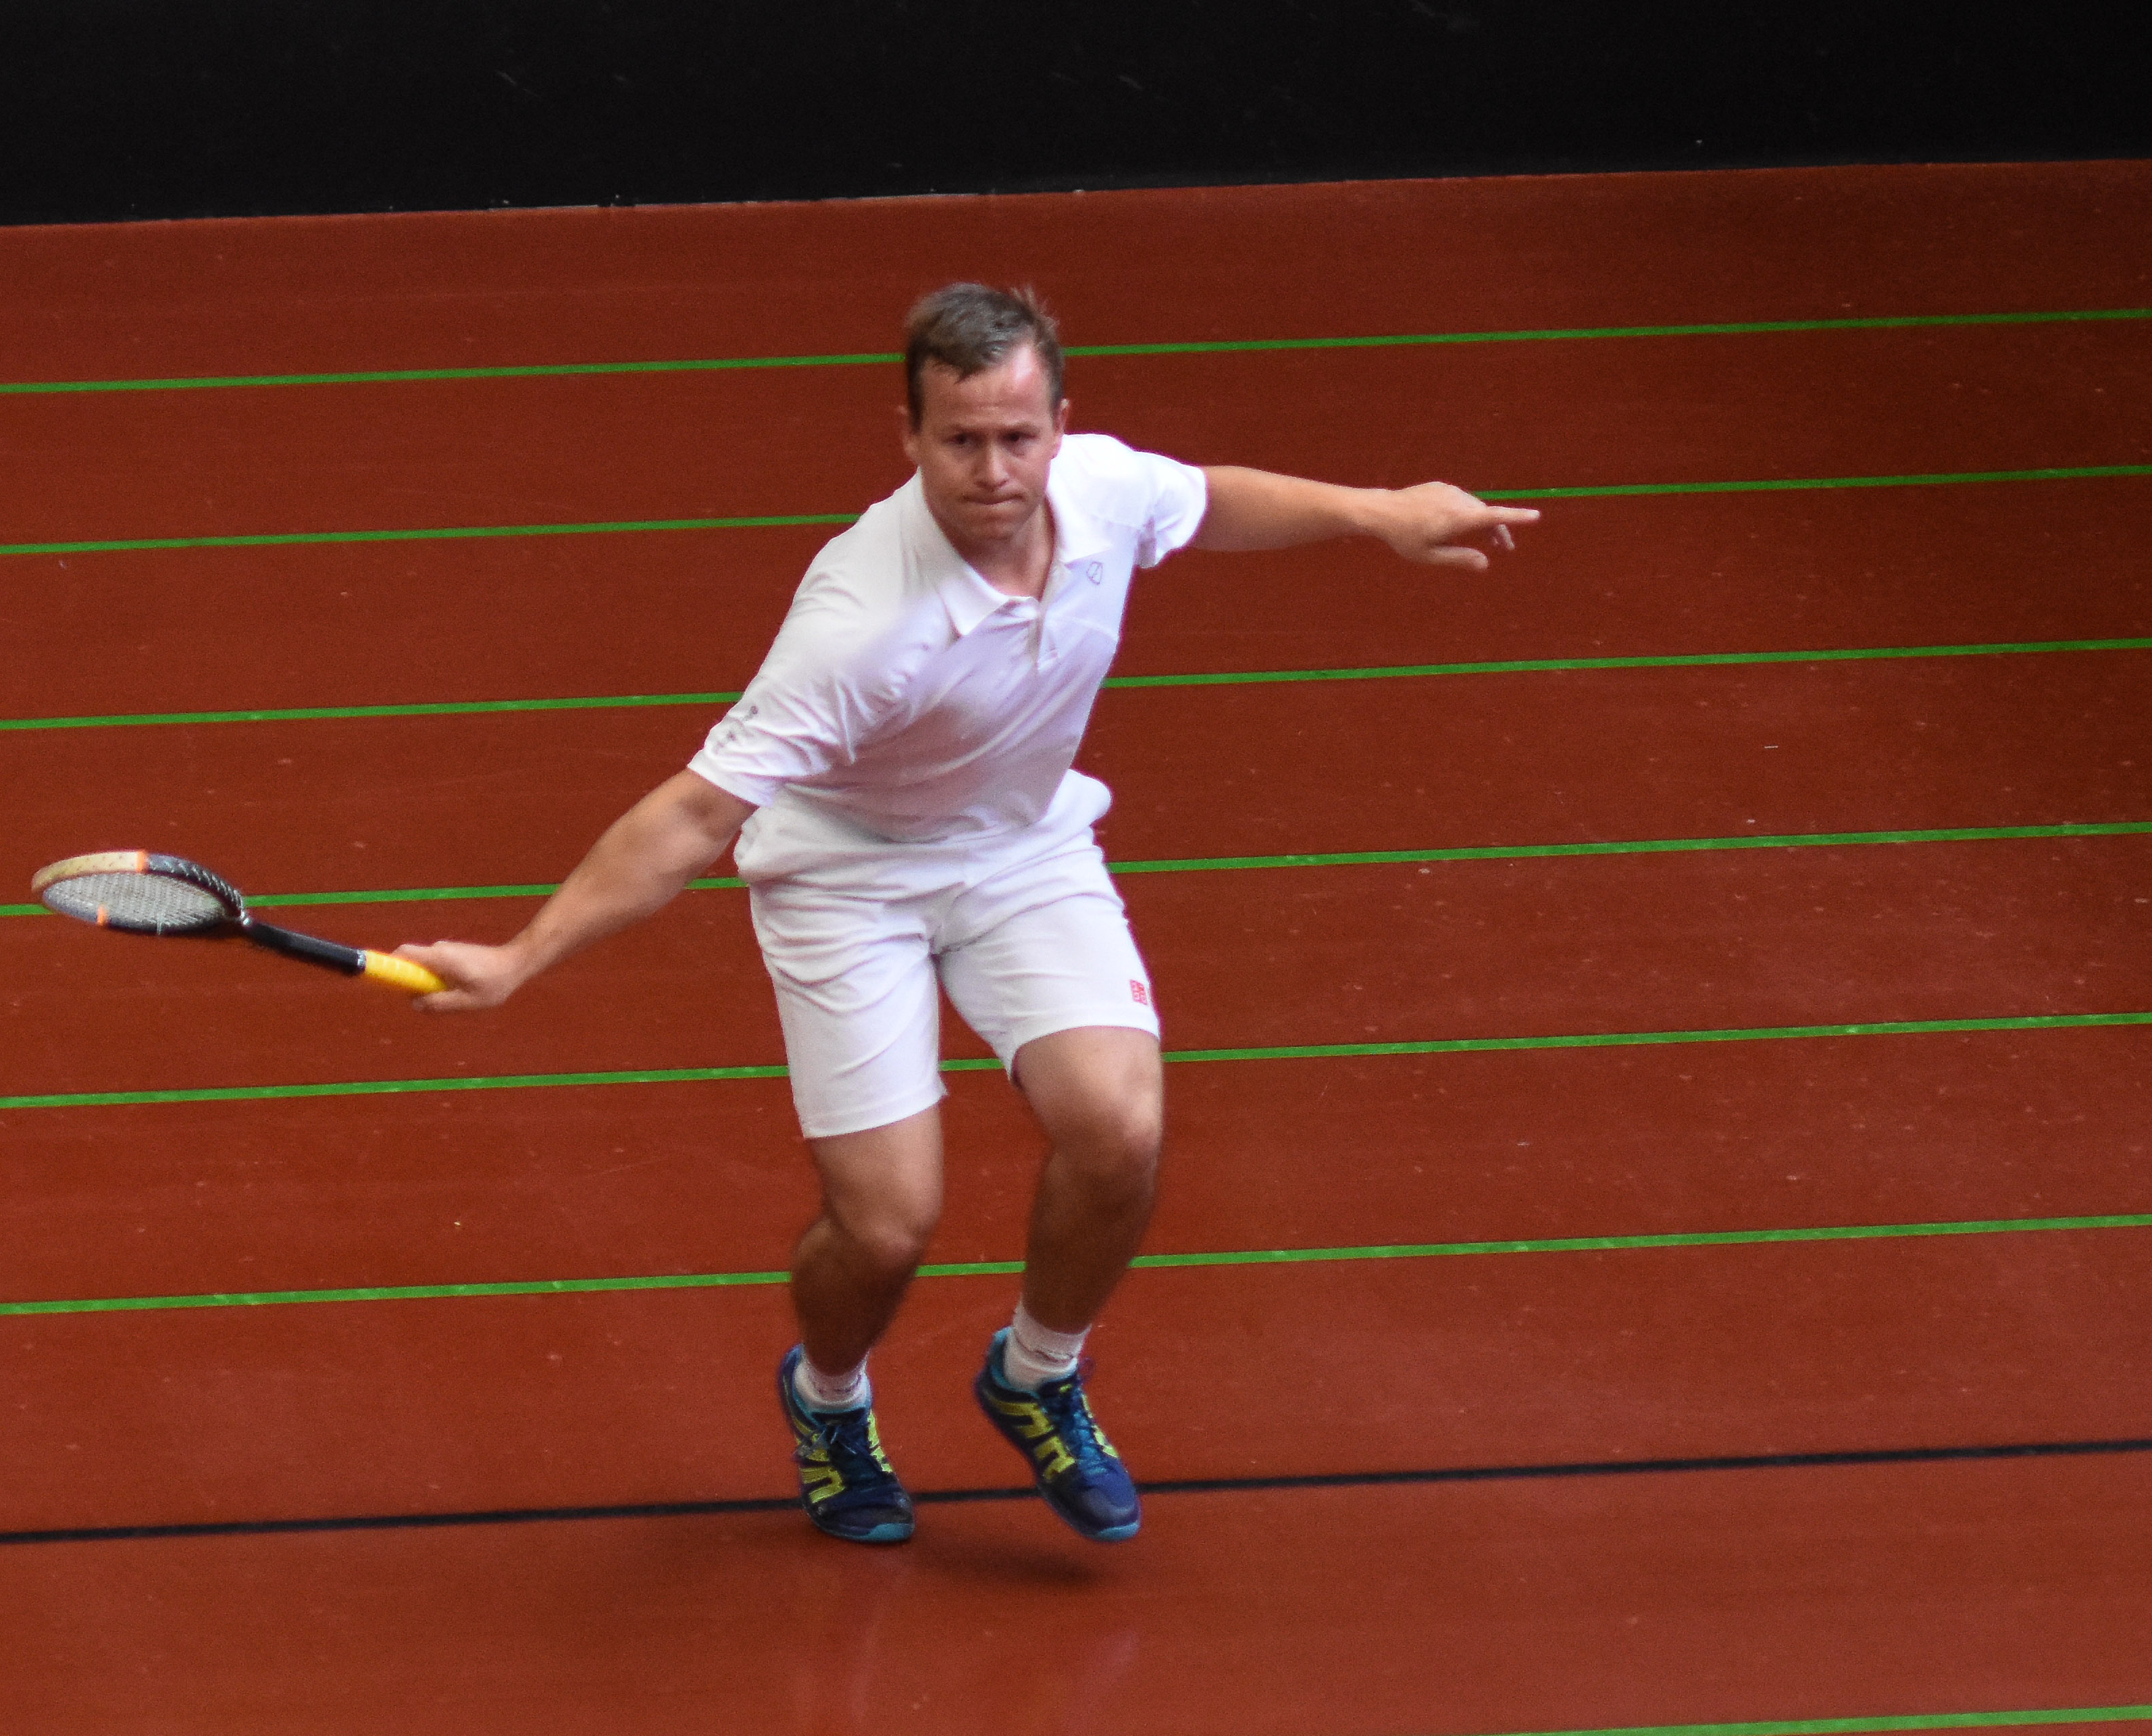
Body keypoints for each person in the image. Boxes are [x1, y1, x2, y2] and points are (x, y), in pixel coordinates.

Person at [395, 284, 1537, 1546]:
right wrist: (522, 956)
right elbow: (695, 815)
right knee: (886, 1229)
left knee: (1119, 1127)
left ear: (1059, 426)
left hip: (1020, 846)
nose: (994, 471)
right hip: (847, 878)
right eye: (960, 442)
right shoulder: (860, 622)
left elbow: (1206, 501)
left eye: (1017, 438)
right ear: (910, 437)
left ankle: (1037, 1374)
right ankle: (829, 1396)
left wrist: (1381, 512)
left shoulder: (1100, 489)